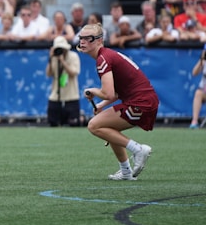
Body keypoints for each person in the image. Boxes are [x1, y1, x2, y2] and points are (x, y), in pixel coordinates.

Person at [79, 23, 159, 181]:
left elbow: (107, 93)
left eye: (88, 38)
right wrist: (101, 105)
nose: (83, 41)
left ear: (99, 41)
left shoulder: (103, 59)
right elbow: (116, 92)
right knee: (107, 127)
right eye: (81, 38)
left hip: (141, 102)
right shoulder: (106, 55)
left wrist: (93, 91)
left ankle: (138, 150)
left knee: (94, 125)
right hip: (144, 100)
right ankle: (126, 172)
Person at [45, 36, 81, 127]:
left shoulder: (73, 56)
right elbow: (48, 74)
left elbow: (74, 72)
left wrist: (63, 61)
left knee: (73, 123)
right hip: (56, 95)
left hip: (71, 95)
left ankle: (82, 119)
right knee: (52, 122)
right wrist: (50, 59)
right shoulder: (54, 57)